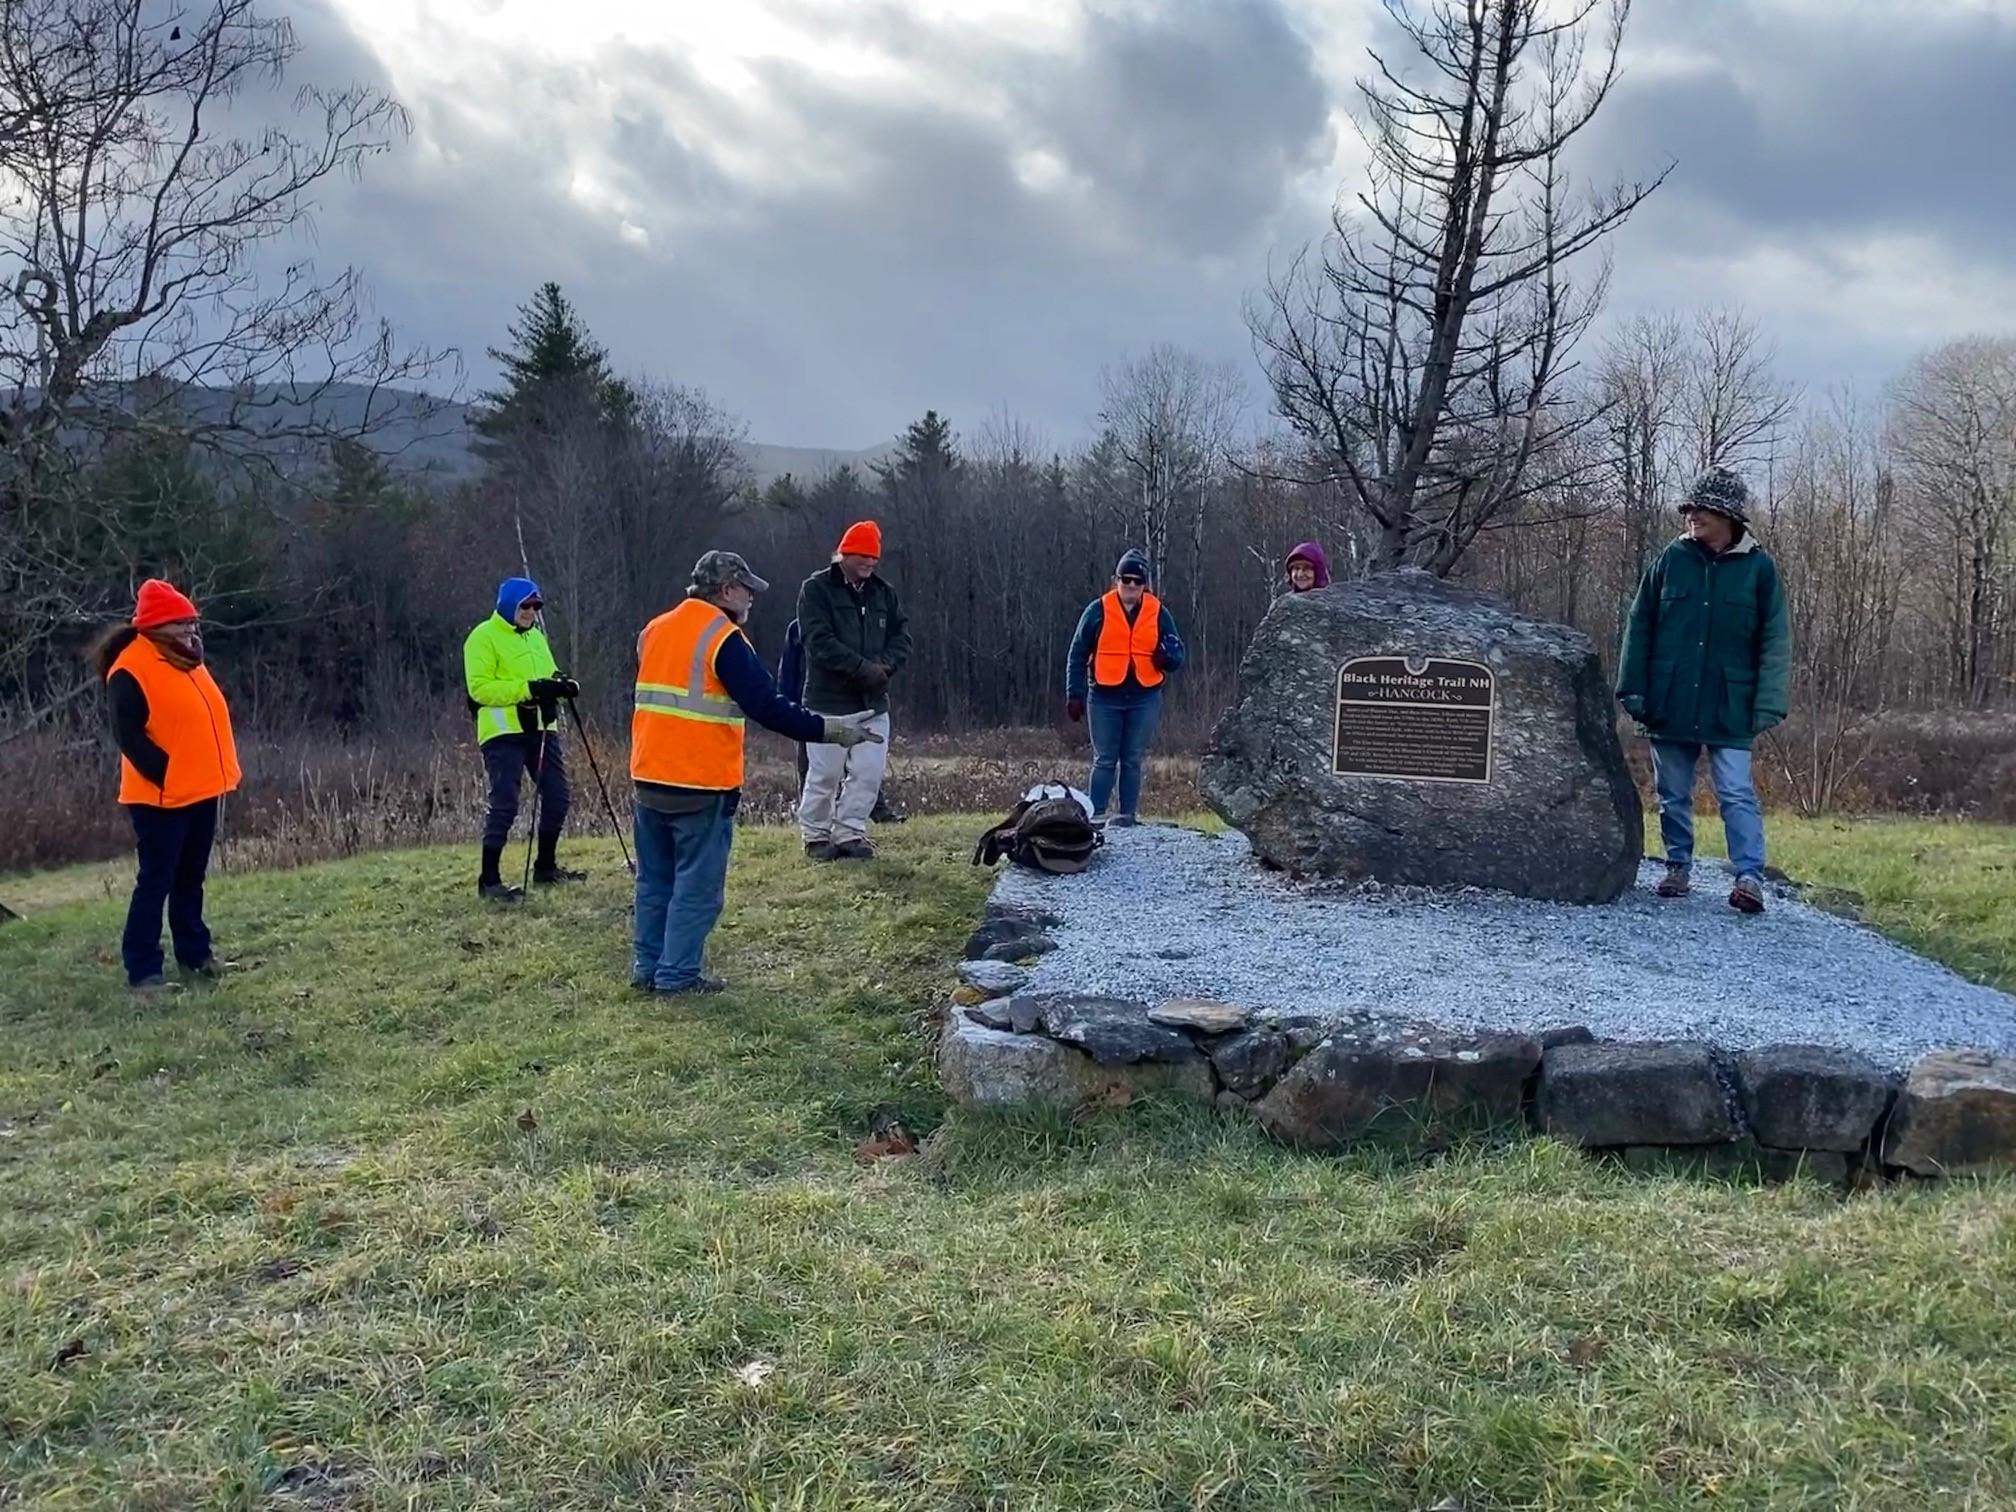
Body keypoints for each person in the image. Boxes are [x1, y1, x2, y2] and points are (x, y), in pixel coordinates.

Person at [631, 550, 882, 994]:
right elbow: (767, 706)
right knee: (697, 888)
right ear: (726, 591)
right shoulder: (722, 638)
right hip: (700, 785)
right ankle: (677, 977)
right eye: (746, 589)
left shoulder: (654, 630)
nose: (751, 599)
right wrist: (832, 730)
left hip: (648, 778)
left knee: (654, 881)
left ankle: (648, 969)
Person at [1616, 468, 1791, 914]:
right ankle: (1678, 867)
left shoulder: (1759, 569)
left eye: (1701, 509)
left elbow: (1775, 639)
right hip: (1670, 699)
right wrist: (1633, 688)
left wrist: (1768, 701)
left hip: (1731, 704)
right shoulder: (1670, 560)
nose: (1692, 516)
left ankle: (1749, 877)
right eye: (1689, 508)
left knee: (1735, 791)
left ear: (1727, 516)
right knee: (1672, 791)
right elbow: (1641, 625)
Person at [90, 579, 242, 993]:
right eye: (183, 624)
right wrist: (167, 772)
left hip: (201, 788)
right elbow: (128, 735)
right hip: (161, 798)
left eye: (193, 623)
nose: (192, 631)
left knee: (190, 877)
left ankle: (196, 956)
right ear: (158, 626)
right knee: (156, 880)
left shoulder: (186, 659)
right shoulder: (130, 668)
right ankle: (143, 971)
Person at [794, 521, 911, 861]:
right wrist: (862, 669)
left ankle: (849, 833)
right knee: (825, 774)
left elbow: (902, 636)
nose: (869, 563)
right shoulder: (815, 589)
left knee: (868, 773)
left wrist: (885, 667)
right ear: (844, 553)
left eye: (873, 557)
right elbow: (817, 641)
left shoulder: (883, 593)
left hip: (873, 702)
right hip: (827, 701)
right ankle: (815, 835)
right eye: (862, 556)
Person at [463, 577, 583, 902]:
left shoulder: (537, 638)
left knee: (558, 797)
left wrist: (561, 685)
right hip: (503, 733)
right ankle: (489, 882)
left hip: (541, 728)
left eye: (535, 606)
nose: (531, 612)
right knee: (505, 803)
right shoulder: (482, 637)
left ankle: (545, 868)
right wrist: (529, 689)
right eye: (525, 606)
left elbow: (549, 675)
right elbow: (480, 688)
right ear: (508, 605)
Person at [1064, 548, 1186, 826]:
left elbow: (1178, 654)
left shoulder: (1158, 612)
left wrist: (1168, 657)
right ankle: (1094, 818)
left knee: (1132, 759)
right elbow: (1077, 654)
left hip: (1145, 696)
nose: (1130, 585)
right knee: (1105, 758)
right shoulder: (1097, 611)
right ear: (1115, 580)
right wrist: (1075, 694)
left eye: (1137, 580)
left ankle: (1127, 818)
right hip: (1104, 696)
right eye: (1125, 579)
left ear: (1145, 585)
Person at [779, 617, 904, 824]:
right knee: (812, 768)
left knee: (863, 764)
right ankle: (812, 822)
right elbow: (789, 669)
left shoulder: (851, 626)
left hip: (850, 703)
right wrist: (789, 708)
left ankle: (878, 811)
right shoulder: (798, 627)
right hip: (810, 707)